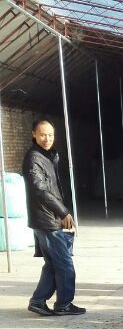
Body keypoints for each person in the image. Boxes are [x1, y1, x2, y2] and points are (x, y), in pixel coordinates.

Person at [23, 118, 85, 317]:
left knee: (53, 264)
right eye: (42, 134)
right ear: (34, 134)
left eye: (50, 134)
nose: (47, 138)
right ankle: (63, 304)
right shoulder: (34, 158)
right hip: (47, 220)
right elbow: (40, 190)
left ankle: (38, 301)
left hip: (50, 218)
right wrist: (62, 212)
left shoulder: (48, 156)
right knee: (65, 265)